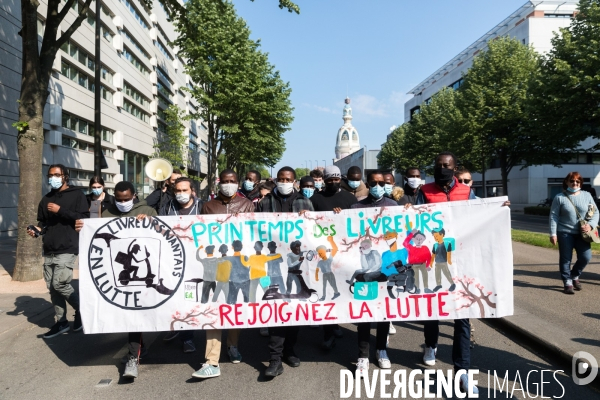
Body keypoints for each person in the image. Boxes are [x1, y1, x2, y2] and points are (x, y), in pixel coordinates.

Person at [406, 152, 478, 394]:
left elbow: (479, 218)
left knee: (462, 317)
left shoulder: (467, 193)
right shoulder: (425, 191)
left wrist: (500, 209)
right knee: (432, 309)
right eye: (437, 165)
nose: (441, 169)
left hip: (460, 261)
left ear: (455, 168)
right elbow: (414, 224)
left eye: (446, 166)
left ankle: (462, 370)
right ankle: (430, 344)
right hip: (433, 261)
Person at [75, 180, 157, 379]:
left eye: (127, 199)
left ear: (134, 196)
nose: (123, 203)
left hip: (142, 273)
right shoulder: (106, 211)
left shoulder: (147, 209)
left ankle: (132, 357)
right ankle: (138, 349)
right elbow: (95, 233)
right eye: (119, 199)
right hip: (116, 274)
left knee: (134, 316)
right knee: (128, 316)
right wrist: (83, 227)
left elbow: (160, 235)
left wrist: (150, 222)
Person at [193, 169, 254, 379]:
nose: (228, 184)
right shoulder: (208, 206)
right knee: (214, 310)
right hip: (217, 267)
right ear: (220, 184)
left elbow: (253, 232)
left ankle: (232, 346)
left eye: (232, 181)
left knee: (233, 310)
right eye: (225, 181)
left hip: (237, 268)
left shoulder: (247, 205)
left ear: (238, 183)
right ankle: (211, 361)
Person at [257, 166, 314, 378]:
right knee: (276, 311)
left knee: (294, 313)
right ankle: (275, 359)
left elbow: (314, 230)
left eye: (288, 179)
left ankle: (290, 350)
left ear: (294, 181)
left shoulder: (305, 202)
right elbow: (254, 228)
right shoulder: (265, 202)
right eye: (280, 178)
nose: (284, 182)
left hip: (296, 268)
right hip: (274, 266)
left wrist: (308, 218)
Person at [27, 164, 89, 339]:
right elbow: (43, 224)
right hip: (49, 249)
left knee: (59, 283)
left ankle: (82, 309)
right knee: (53, 289)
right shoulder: (46, 199)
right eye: (50, 175)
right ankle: (61, 322)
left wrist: (60, 210)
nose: (52, 178)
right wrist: (36, 231)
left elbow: (84, 219)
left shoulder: (77, 195)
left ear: (65, 176)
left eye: (56, 175)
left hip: (67, 247)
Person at [349, 170, 399, 375]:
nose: (378, 186)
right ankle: (362, 356)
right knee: (365, 315)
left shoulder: (393, 206)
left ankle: (381, 350)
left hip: (385, 268)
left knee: (384, 313)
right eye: (373, 182)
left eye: (381, 182)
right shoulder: (355, 207)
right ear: (367, 184)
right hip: (366, 269)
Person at [310, 165, 357, 349]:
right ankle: (329, 331)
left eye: (336, 179)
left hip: (344, 252)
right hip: (323, 254)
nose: (333, 182)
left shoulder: (349, 197)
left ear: (341, 179)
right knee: (328, 293)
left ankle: (338, 322)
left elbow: (355, 221)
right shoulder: (316, 198)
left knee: (342, 290)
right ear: (324, 179)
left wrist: (342, 216)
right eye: (329, 179)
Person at [160, 177, 204, 352]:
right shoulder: (167, 207)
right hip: (173, 261)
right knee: (174, 298)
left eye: (184, 190)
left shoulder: (203, 207)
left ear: (192, 191)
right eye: (177, 191)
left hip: (195, 262)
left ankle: (187, 337)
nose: (181, 194)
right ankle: (177, 326)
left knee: (188, 298)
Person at [550, 172, 599, 294]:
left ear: (580, 183)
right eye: (572, 181)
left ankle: (574, 275)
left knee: (586, 257)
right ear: (567, 182)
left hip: (583, 234)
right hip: (565, 232)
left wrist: (590, 225)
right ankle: (567, 282)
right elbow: (553, 216)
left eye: (578, 181)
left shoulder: (587, 195)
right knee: (566, 259)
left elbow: (596, 212)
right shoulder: (560, 197)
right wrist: (553, 233)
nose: (575, 183)